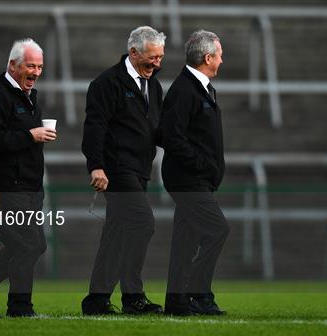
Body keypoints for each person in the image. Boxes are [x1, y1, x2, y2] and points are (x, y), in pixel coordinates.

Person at [80, 26, 166, 315]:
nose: (157, 63)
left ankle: (96, 299)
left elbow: (157, 130)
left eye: (160, 57)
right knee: (143, 222)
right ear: (133, 52)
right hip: (116, 170)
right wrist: (96, 166)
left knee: (116, 234)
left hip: (140, 171)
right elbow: (94, 128)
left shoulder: (154, 86)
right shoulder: (107, 83)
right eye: (152, 57)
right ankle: (133, 296)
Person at [0, 38, 55, 317]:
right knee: (29, 244)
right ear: (13, 65)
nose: (35, 72)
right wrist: (29, 136)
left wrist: (36, 137)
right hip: (6, 188)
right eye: (30, 66)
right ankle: (20, 308)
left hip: (31, 187)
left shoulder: (30, 96)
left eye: (40, 67)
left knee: (25, 245)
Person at [159, 29, 229, 316]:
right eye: (220, 56)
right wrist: (204, 165)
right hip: (187, 179)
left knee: (185, 241)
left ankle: (176, 301)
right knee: (217, 230)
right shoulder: (185, 89)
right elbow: (171, 137)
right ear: (208, 57)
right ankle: (198, 293)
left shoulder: (201, 87)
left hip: (196, 178)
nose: (222, 61)